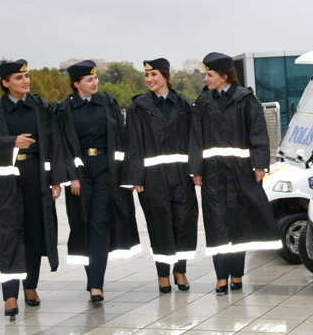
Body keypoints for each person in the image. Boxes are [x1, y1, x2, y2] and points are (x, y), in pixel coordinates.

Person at [190, 52, 281, 295]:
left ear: (223, 76)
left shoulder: (246, 99)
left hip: (241, 173)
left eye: (209, 75)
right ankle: (221, 277)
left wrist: (260, 166)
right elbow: (195, 139)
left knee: (239, 223)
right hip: (212, 174)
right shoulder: (203, 102)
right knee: (216, 224)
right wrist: (196, 170)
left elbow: (259, 134)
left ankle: (237, 275)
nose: (206, 78)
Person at [0, 59, 60, 317]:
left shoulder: (42, 107)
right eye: (18, 78)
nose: (25, 81)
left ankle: (31, 287)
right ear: (5, 83)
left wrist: (56, 179)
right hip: (5, 182)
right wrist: (13, 142)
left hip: (36, 176)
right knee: (8, 234)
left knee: (35, 232)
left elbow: (55, 143)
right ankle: (10, 295)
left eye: (26, 76)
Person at [52, 60, 140, 303]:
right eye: (89, 80)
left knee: (100, 223)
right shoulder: (63, 109)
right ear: (76, 83)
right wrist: (72, 176)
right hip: (80, 173)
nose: (95, 83)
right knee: (84, 224)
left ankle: (95, 285)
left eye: (95, 78)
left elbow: (121, 137)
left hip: (106, 171)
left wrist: (125, 173)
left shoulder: (107, 102)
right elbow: (61, 145)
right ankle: (93, 278)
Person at [124, 58, 198, 293]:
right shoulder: (139, 107)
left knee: (184, 222)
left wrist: (196, 170)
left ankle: (181, 270)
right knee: (159, 224)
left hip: (180, 174)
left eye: (154, 75)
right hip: (152, 177)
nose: (149, 80)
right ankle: (163, 274)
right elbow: (133, 142)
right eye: (146, 76)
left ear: (165, 76)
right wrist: (136, 177)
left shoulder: (184, 104)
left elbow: (194, 141)